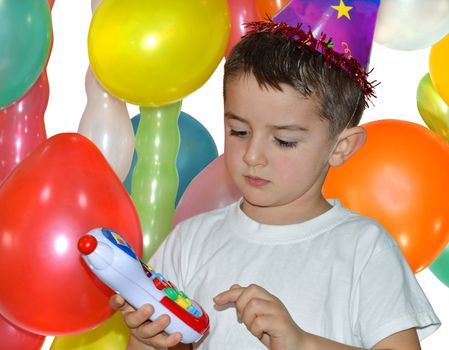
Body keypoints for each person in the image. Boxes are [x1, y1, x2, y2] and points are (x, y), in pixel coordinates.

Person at [110, 20, 440, 350]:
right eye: (239, 132)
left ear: (341, 147)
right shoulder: (190, 241)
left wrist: (301, 343)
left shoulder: (364, 249)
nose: (252, 155)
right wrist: (147, 339)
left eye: (283, 140)